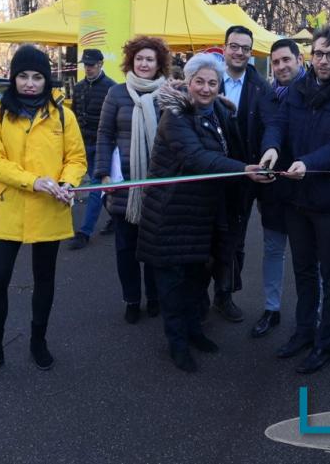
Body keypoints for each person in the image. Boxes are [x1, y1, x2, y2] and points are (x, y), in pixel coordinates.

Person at [136, 54, 270, 372]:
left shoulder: (222, 112)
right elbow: (197, 158)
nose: (206, 89)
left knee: (197, 279)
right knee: (173, 285)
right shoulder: (175, 116)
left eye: (212, 82)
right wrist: (244, 170)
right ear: (189, 82)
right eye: (200, 82)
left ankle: (195, 331)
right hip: (172, 214)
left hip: (204, 213)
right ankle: (177, 344)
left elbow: (234, 147)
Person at [0, 45, 86, 382]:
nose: (30, 83)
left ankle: (38, 341)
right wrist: (34, 181)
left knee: (44, 279)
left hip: (50, 208)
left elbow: (76, 158)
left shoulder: (64, 115)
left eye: (37, 77)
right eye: (23, 76)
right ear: (13, 78)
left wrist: (67, 181)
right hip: (8, 209)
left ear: (46, 79)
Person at [260, 26, 330, 374]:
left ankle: (326, 343)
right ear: (311, 55)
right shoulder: (297, 89)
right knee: (303, 269)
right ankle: (303, 331)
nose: (323, 61)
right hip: (295, 197)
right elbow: (278, 123)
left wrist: (309, 164)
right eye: (319, 54)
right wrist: (272, 147)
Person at [95, 36, 170, 324]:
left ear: (158, 64)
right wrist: (102, 173)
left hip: (157, 184)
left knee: (153, 247)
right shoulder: (116, 94)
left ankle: (154, 297)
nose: (144, 63)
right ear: (131, 61)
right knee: (125, 248)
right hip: (123, 183)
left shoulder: (167, 93)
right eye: (139, 58)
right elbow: (104, 134)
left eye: (150, 59)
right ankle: (131, 299)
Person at [212, 25, 277, 323]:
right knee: (204, 235)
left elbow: (270, 125)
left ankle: (225, 294)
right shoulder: (206, 80)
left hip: (245, 177)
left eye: (245, 48)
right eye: (234, 46)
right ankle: (198, 293)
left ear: (251, 53)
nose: (239, 52)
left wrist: (269, 150)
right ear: (224, 47)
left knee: (234, 240)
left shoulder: (262, 87)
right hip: (210, 173)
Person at [250, 38, 306, 339]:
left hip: (303, 190)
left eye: (287, 60)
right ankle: (271, 308)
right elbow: (263, 134)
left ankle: (310, 314)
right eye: (276, 62)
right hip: (272, 190)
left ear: (299, 60)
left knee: (306, 256)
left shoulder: (313, 94)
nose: (282, 66)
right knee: (273, 251)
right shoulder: (267, 98)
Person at [67, 48, 116, 250]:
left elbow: (114, 121)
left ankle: (84, 232)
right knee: (97, 188)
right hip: (81, 144)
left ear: (100, 64)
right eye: (85, 64)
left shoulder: (111, 88)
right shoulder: (78, 88)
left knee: (95, 188)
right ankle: (116, 216)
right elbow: (74, 118)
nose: (88, 68)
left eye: (91, 64)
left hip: (103, 145)